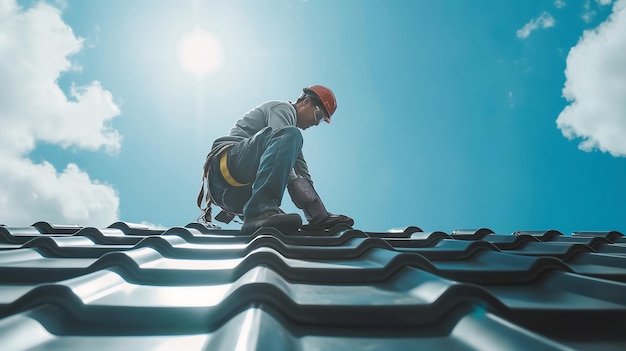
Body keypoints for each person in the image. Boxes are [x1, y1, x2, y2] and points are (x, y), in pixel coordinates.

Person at [198, 85, 354, 234]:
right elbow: (286, 155)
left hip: (232, 196)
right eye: (318, 116)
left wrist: (319, 215)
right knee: (291, 136)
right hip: (225, 164)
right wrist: (294, 183)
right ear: (306, 102)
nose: (315, 123)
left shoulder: (288, 140)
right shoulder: (283, 110)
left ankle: (260, 216)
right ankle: (260, 210)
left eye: (320, 121)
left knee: (284, 225)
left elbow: (302, 173)